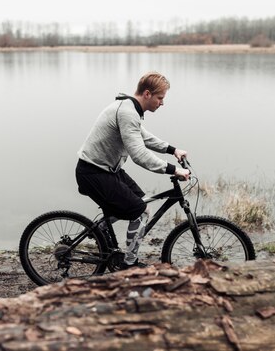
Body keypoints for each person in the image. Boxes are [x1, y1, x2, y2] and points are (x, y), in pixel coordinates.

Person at [76, 72, 190, 268]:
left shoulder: (130, 109)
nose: (162, 103)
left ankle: (100, 230)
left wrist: (172, 150)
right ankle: (129, 264)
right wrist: (173, 170)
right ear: (147, 94)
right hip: (94, 173)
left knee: (140, 201)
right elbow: (138, 155)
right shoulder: (127, 112)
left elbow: (144, 137)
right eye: (160, 98)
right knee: (141, 211)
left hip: (107, 170)